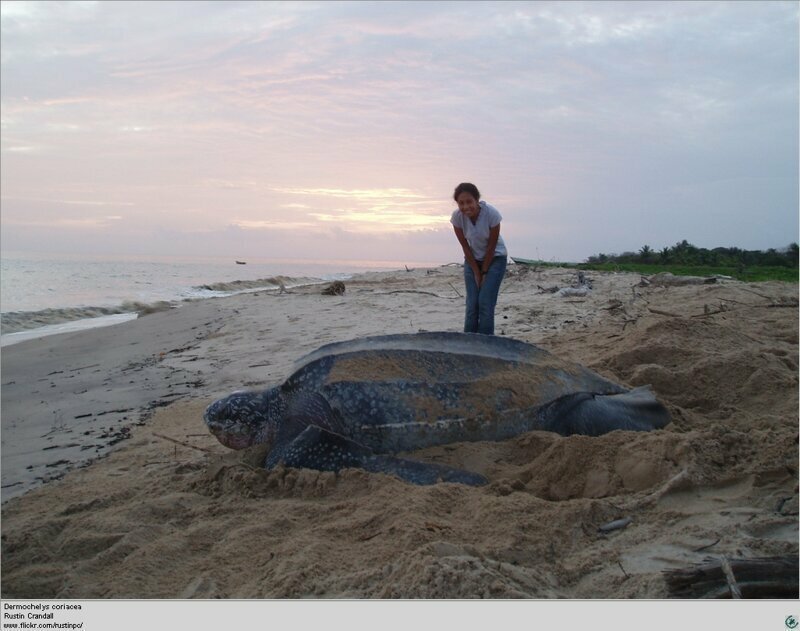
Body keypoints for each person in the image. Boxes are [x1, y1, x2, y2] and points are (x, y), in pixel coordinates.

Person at [450, 182, 508, 335]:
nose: (465, 207)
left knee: (485, 302)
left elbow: (491, 246)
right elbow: (465, 247)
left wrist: (484, 273)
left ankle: (486, 344)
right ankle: (468, 343)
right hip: (472, 260)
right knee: (472, 304)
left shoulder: (492, 215)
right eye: (461, 203)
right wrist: (476, 271)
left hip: (495, 258)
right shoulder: (457, 218)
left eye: (469, 202)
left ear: (477, 200)